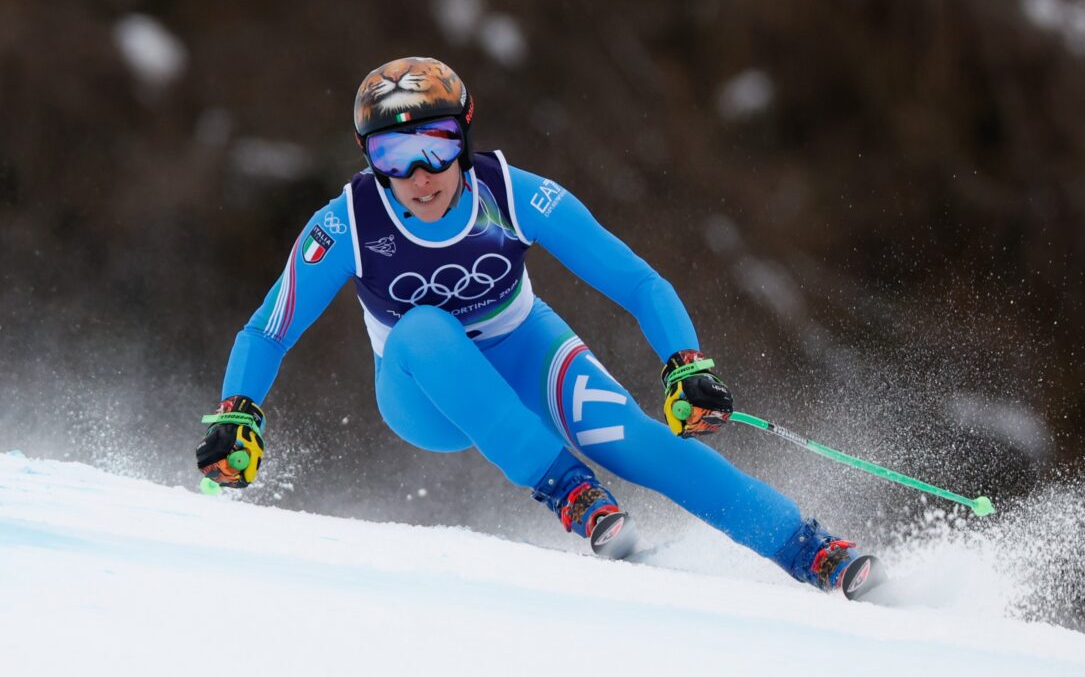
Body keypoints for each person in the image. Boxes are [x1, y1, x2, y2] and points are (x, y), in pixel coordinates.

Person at [196, 56, 877, 598]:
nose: (419, 174)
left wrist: (685, 363)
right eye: (392, 155)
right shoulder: (347, 221)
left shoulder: (512, 193)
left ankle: (810, 550)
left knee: (637, 440)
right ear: (367, 157)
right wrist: (238, 416)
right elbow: (266, 329)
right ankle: (567, 490)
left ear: (464, 135)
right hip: (426, 394)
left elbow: (639, 280)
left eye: (435, 144)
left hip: (526, 354)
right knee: (424, 326)